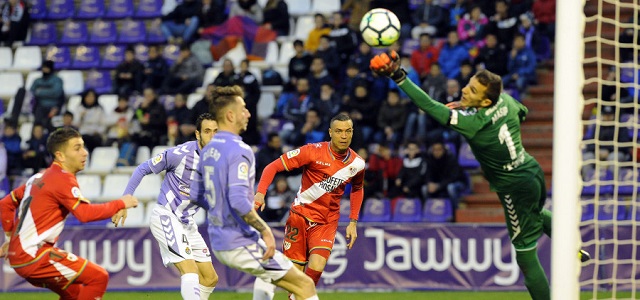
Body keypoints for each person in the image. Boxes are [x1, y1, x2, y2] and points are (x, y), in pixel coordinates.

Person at [369, 50, 591, 300]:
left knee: (526, 257)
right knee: (537, 213)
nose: (465, 91)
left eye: (473, 92)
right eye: (469, 85)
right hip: (531, 170)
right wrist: (470, 105)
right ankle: (575, 249)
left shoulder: (471, 125)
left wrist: (399, 76)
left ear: (486, 102)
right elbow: (523, 112)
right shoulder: (506, 100)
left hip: (514, 186)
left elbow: (429, 106)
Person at [190, 86, 319, 300]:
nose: (248, 113)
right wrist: (266, 231)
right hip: (237, 240)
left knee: (267, 278)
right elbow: (239, 201)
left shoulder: (207, 151)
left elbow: (195, 194)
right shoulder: (239, 149)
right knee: (304, 285)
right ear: (230, 115)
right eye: (243, 108)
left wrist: (219, 212)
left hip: (218, 237)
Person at [0, 128, 138, 299]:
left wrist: (9, 239)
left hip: (21, 256)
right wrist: (121, 203)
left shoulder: (36, 178)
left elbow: (5, 204)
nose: (85, 153)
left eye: (83, 147)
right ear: (61, 155)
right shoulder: (62, 178)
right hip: (34, 255)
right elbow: (84, 214)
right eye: (77, 148)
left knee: (74, 293)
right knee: (98, 277)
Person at [253, 113, 365, 300]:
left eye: (348, 131)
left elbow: (357, 188)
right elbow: (272, 167)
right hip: (300, 217)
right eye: (339, 131)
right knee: (295, 277)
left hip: (326, 222)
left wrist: (353, 221)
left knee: (317, 267)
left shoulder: (357, 163)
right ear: (330, 132)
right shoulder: (312, 151)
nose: (344, 136)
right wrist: (260, 193)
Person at [120, 113, 219, 300]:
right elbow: (142, 168)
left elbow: (199, 197)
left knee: (210, 278)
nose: (212, 136)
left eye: (216, 131)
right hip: (166, 216)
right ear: (197, 134)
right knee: (189, 271)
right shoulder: (180, 155)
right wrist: (125, 199)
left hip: (188, 223)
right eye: (207, 131)